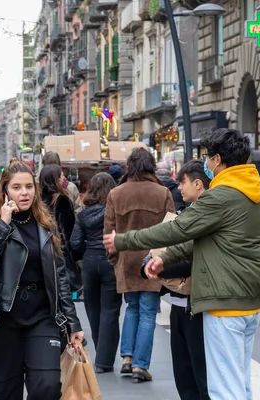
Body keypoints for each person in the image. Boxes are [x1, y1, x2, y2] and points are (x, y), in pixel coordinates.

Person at [104, 128, 260, 400]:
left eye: (207, 157)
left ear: (217, 160)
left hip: (224, 300)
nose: (206, 163)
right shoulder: (249, 191)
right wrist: (164, 258)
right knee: (239, 382)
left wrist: (123, 240)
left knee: (224, 388)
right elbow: (199, 239)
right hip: (248, 299)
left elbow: (177, 230)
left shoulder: (220, 196)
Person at [0, 159, 84, 400]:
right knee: (7, 392)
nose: (24, 192)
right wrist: (3, 225)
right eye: (17, 187)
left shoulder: (46, 223)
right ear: (5, 192)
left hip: (42, 316)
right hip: (1, 317)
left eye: (29, 187)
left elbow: (60, 275)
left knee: (48, 386)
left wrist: (73, 323)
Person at [103, 148, 174, 381]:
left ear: (130, 166)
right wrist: (166, 261)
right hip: (153, 259)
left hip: (126, 258)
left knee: (132, 308)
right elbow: (172, 228)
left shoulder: (116, 193)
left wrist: (114, 258)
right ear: (151, 165)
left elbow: (109, 231)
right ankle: (140, 365)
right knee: (147, 313)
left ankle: (126, 358)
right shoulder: (163, 193)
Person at [142, 159, 210, 400]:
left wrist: (159, 267)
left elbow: (194, 260)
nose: (179, 187)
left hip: (198, 307)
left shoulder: (206, 216)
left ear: (199, 184)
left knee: (200, 375)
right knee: (183, 373)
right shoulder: (184, 213)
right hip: (180, 305)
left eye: (182, 182)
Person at [70, 172, 121, 373]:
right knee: (110, 310)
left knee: (93, 309)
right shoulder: (114, 212)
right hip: (110, 261)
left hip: (90, 262)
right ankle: (105, 360)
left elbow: (74, 242)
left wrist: (89, 248)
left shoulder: (83, 214)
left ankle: (100, 351)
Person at [39, 164, 81, 294]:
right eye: (61, 175)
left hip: (40, 254)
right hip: (59, 254)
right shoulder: (62, 199)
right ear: (55, 179)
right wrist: (75, 257)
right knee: (62, 294)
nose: (64, 178)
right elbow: (69, 231)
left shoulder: (37, 200)